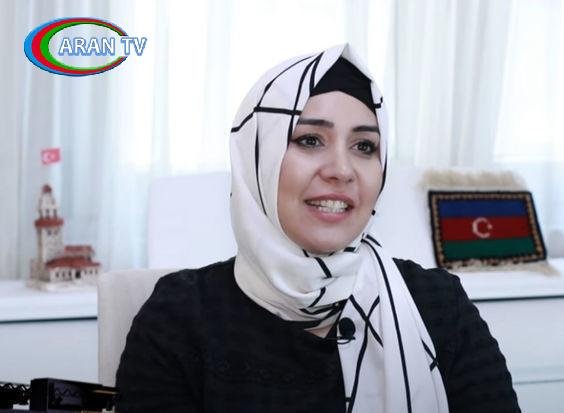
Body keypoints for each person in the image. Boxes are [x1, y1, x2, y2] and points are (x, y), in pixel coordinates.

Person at [115, 44, 521, 413]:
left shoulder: (437, 304)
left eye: (364, 146)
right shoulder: (180, 318)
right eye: (310, 140)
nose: (342, 170)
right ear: (257, 160)